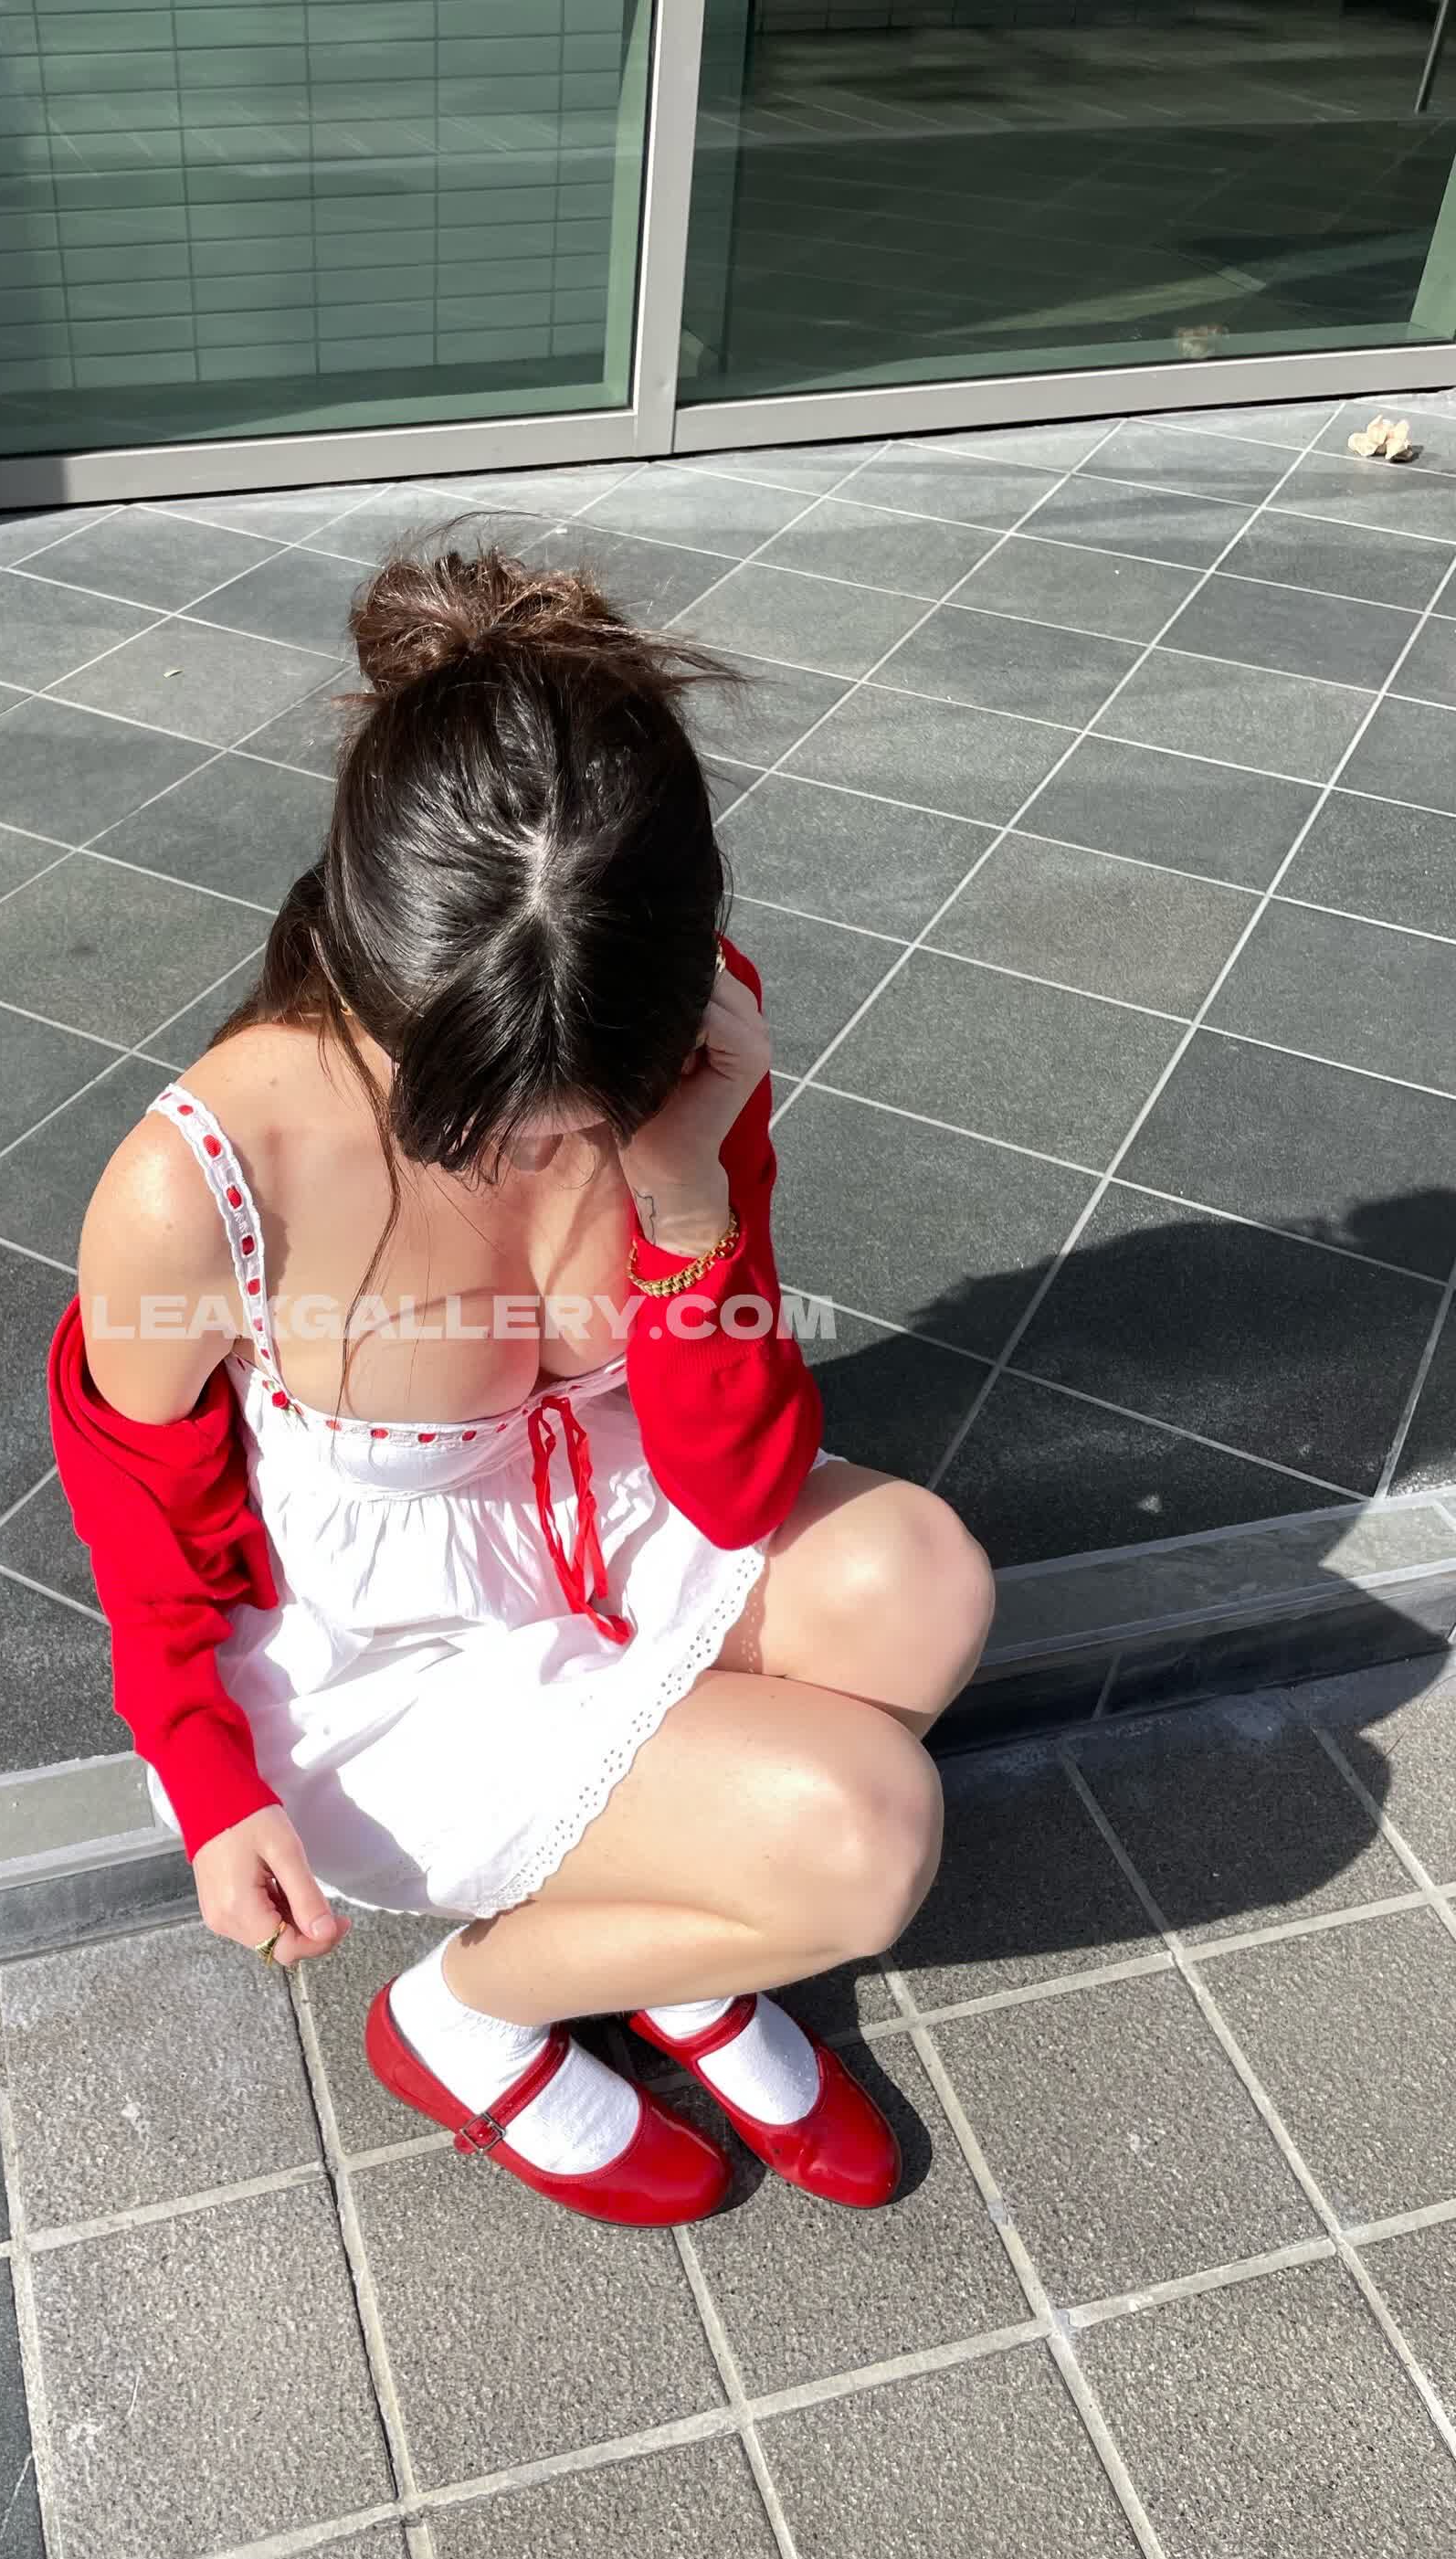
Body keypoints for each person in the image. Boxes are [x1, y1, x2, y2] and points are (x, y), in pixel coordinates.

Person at [50, 545, 996, 2229]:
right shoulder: (199, 1183)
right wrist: (204, 1782)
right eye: (478, 1096)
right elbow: (137, 1516)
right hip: (384, 1662)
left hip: (635, 1531)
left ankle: (664, 1936)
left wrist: (689, 1203)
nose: (544, 1148)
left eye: (589, 1102)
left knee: (921, 1581)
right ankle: (469, 2013)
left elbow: (733, 1486)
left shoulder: (686, 1029)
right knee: (864, 1840)